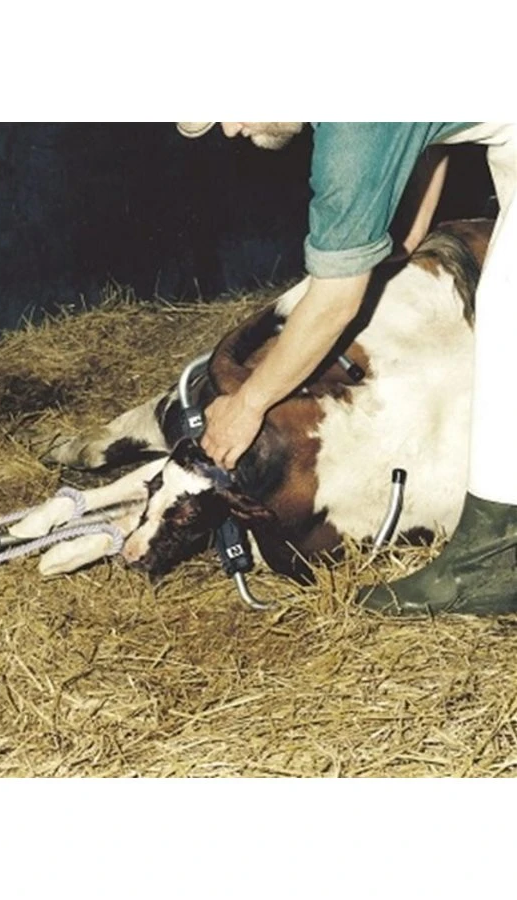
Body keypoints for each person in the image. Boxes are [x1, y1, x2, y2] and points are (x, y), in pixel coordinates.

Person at [177, 122, 516, 616]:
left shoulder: (348, 131)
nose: (230, 128)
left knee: (507, 312)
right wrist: (410, 229)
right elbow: (429, 124)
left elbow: (334, 304)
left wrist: (248, 404)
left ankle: (490, 564)